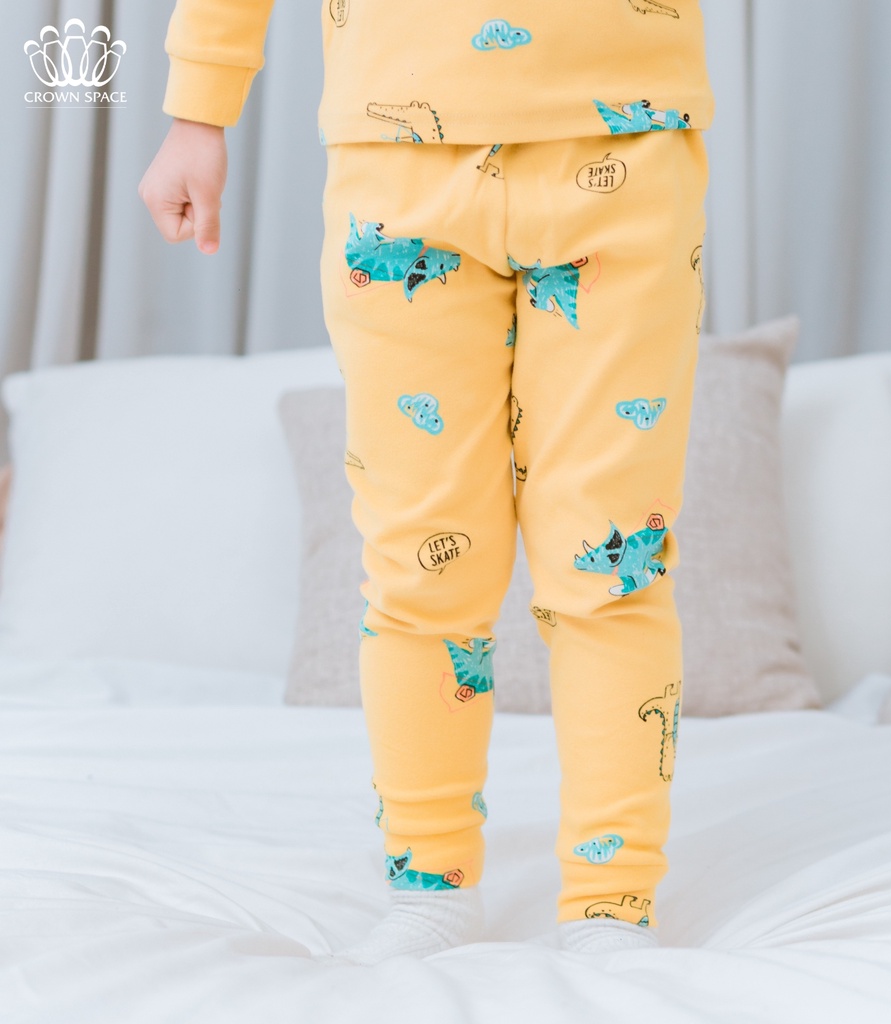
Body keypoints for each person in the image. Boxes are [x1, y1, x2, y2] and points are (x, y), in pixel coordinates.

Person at [140, 0, 713, 963]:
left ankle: (612, 901)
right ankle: (430, 881)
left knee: (612, 561)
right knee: (421, 564)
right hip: (397, 155)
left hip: (625, 135)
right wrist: (199, 108)